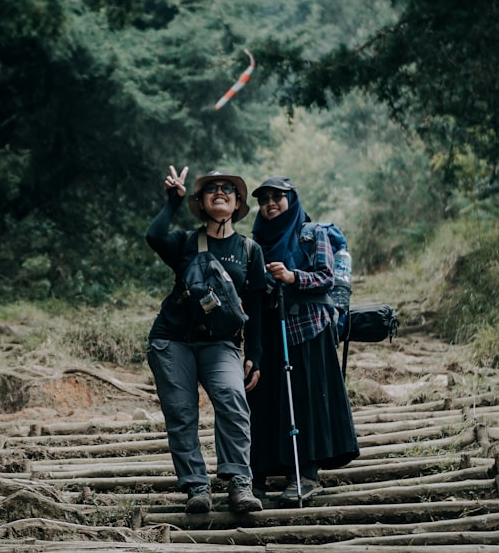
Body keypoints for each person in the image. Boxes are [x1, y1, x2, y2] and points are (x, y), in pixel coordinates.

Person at [145, 165, 266, 514]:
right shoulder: (186, 241)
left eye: (228, 188)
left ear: (238, 201)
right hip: (172, 340)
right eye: (211, 188)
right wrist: (173, 201)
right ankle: (197, 486)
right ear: (201, 200)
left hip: (221, 343)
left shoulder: (249, 250)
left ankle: (239, 483)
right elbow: (154, 236)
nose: (220, 192)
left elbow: (255, 306)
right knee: (181, 413)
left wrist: (254, 354)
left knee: (231, 396)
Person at [246, 176, 360, 505]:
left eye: (277, 197)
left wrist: (292, 276)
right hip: (270, 330)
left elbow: (325, 277)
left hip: (309, 330)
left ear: (292, 199)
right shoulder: (255, 242)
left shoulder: (312, 234)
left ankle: (306, 476)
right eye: (265, 198)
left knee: (306, 401)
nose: (270, 203)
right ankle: (260, 475)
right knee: (268, 401)